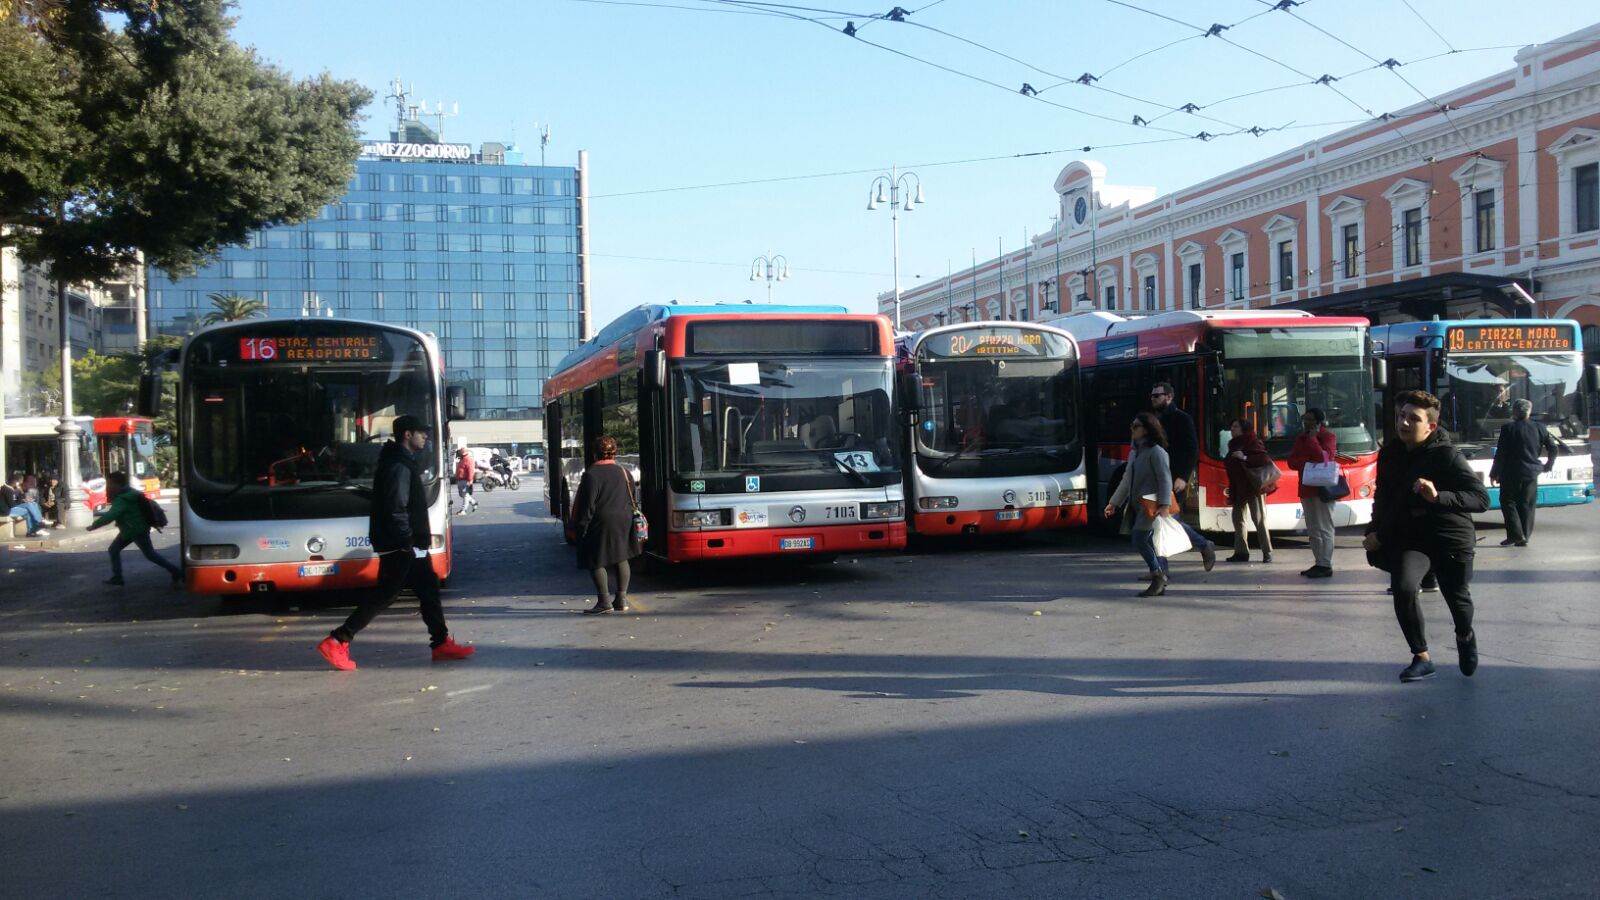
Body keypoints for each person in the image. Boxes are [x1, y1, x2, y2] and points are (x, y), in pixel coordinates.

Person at [317, 415, 474, 671]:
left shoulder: (401, 461)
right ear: (407, 435)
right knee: (386, 594)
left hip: (409, 543)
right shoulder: (398, 465)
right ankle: (337, 640)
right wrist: (407, 541)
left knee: (428, 590)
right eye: (421, 433)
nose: (426, 437)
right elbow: (396, 507)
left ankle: (441, 643)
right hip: (402, 543)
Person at [1363, 390, 1489, 683]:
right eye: (1400, 416)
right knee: (1404, 587)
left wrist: (1438, 496)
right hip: (1412, 537)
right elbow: (1383, 497)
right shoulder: (1391, 454)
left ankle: (1464, 634)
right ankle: (1421, 657)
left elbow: (1480, 499)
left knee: (1457, 598)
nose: (1404, 423)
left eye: (1413, 418)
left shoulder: (1447, 455)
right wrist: (1374, 530)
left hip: (1449, 536)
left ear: (1430, 426)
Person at [1104, 412, 1178, 597]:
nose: (1132, 429)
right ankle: (1158, 575)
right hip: (1139, 505)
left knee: (1139, 537)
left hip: (1152, 504)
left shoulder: (1157, 452)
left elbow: (1165, 479)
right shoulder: (1136, 453)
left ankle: (1158, 575)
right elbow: (1126, 480)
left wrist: (1164, 504)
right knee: (1146, 540)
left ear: (1146, 429)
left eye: (1136, 426)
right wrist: (1114, 503)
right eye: (1132, 426)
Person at [1148, 382, 1217, 569]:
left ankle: (1202, 545)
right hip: (1155, 478)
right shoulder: (1154, 419)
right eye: (1152, 396)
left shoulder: (1182, 419)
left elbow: (1192, 450)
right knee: (1158, 521)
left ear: (1169, 397)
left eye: (1157, 396)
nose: (1153, 399)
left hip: (1172, 479)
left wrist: (1184, 477)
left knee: (1166, 519)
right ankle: (1159, 569)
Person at [573, 435, 641, 614]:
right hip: (624, 519)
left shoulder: (591, 474)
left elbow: (588, 505)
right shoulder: (624, 472)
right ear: (615, 453)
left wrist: (581, 527)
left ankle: (604, 602)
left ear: (595, 453)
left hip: (601, 521)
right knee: (621, 556)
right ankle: (621, 599)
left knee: (595, 559)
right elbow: (633, 497)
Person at [87, 471, 182, 586]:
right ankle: (117, 577)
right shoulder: (131, 493)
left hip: (136, 530)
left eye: (110, 484)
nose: (108, 487)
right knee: (114, 549)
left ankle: (176, 571)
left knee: (150, 554)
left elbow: (110, 516)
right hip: (132, 529)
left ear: (117, 484)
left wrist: (94, 526)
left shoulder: (123, 499)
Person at [1488, 398, 1555, 547]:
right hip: (1531, 472)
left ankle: (1515, 535)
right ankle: (1524, 535)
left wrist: (1494, 473)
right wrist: (1548, 465)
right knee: (1527, 504)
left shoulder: (1508, 428)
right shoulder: (1539, 427)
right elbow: (1553, 448)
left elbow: (1501, 454)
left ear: (1515, 412)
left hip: (1510, 472)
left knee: (1508, 502)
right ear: (1529, 411)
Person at [1288, 408, 1338, 578]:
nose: (1306, 422)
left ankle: (1326, 563)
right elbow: (1292, 462)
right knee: (1313, 528)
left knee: (1324, 527)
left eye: (1310, 419)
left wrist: (1312, 440)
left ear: (1319, 422)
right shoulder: (1300, 438)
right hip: (1306, 488)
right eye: (1305, 419)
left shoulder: (1327, 437)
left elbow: (1323, 458)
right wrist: (1306, 462)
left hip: (1322, 489)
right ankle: (1319, 562)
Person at [1223, 418, 1274, 563]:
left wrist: (1244, 457)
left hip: (1253, 488)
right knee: (1238, 520)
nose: (1232, 429)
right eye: (1232, 426)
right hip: (1238, 488)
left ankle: (1267, 552)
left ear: (1243, 429)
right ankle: (1241, 552)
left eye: (1235, 426)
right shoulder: (1233, 444)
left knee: (1259, 519)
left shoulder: (1253, 441)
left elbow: (1263, 459)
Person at [4, 472, 49, 537]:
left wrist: (21, 493)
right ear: (15, 481)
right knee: (28, 505)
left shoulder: (14, 489)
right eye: (19, 482)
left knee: (33, 504)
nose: (20, 484)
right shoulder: (7, 489)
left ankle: (32, 530)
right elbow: (12, 504)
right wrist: (23, 501)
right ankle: (39, 522)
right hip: (7, 510)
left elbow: (18, 499)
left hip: (13, 507)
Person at [453, 446, 478, 515]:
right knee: (463, 495)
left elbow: (470, 470)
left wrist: (470, 480)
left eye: (461, 451)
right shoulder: (462, 459)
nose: (459, 453)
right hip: (460, 480)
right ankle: (473, 502)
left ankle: (464, 510)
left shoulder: (468, 459)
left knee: (465, 495)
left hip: (465, 480)